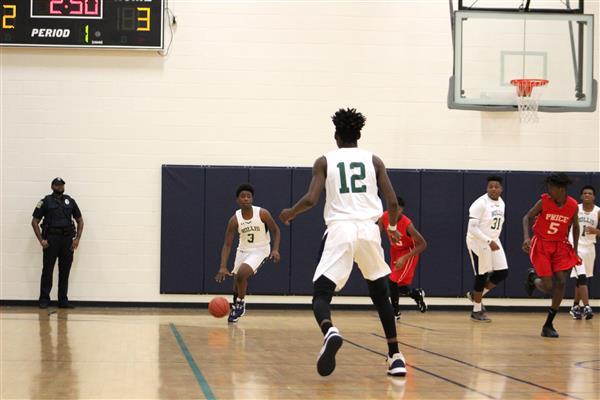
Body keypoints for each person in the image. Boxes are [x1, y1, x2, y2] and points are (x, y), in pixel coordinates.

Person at [279, 107, 406, 377]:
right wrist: (393, 227)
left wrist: (291, 212)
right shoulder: (374, 160)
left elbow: (311, 199)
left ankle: (330, 331)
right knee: (381, 295)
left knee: (321, 294)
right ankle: (395, 357)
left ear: (336, 136)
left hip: (340, 230)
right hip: (369, 231)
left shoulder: (324, 161)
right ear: (358, 135)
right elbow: (393, 202)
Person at [523, 173, 581, 338]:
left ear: (561, 189)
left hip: (560, 245)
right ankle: (532, 278)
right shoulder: (544, 201)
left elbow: (576, 227)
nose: (549, 191)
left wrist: (575, 249)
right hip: (541, 244)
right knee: (548, 286)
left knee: (562, 282)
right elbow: (527, 217)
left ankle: (548, 324)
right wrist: (527, 238)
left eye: (551, 188)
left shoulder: (572, 205)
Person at [215, 183, 281, 323]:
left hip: (261, 249)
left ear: (252, 199)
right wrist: (223, 266)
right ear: (237, 200)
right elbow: (227, 244)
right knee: (236, 283)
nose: (246, 198)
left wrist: (275, 249)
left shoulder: (262, 213)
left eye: (249, 196)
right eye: (243, 196)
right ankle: (235, 308)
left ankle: (241, 304)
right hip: (243, 250)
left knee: (242, 274)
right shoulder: (234, 219)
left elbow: (276, 231)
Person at [31, 178, 84, 309]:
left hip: (67, 240)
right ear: (52, 186)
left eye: (62, 185)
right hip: (51, 240)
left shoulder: (70, 201)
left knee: (65, 271)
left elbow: (80, 221)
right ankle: (44, 299)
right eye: (57, 185)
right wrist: (41, 240)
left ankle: (63, 300)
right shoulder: (45, 202)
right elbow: (34, 222)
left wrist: (77, 239)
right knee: (47, 270)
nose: (60, 187)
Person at [465, 175, 509, 322]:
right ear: (487, 188)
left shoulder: (501, 203)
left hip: (493, 240)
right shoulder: (480, 203)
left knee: (502, 272)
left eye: (496, 186)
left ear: (501, 189)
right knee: (481, 275)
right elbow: (472, 228)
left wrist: (492, 240)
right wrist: (488, 241)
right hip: (478, 242)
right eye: (490, 186)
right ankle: (476, 311)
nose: (493, 189)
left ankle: (476, 295)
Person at [378, 197, 427, 320]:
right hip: (395, 251)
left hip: (408, 252)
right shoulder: (383, 217)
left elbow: (423, 244)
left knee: (392, 281)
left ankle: (395, 312)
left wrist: (405, 258)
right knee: (400, 287)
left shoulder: (407, 225)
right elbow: (377, 234)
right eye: (392, 208)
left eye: (397, 209)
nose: (394, 212)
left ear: (402, 210)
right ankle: (417, 294)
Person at [569, 185, 598, 320]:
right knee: (582, 277)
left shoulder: (598, 211)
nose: (587, 195)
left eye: (590, 193)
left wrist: (597, 231)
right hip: (575, 246)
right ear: (581, 196)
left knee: (580, 279)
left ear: (594, 197)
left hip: (589, 247)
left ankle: (575, 306)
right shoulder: (576, 208)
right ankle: (587, 307)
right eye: (585, 193)